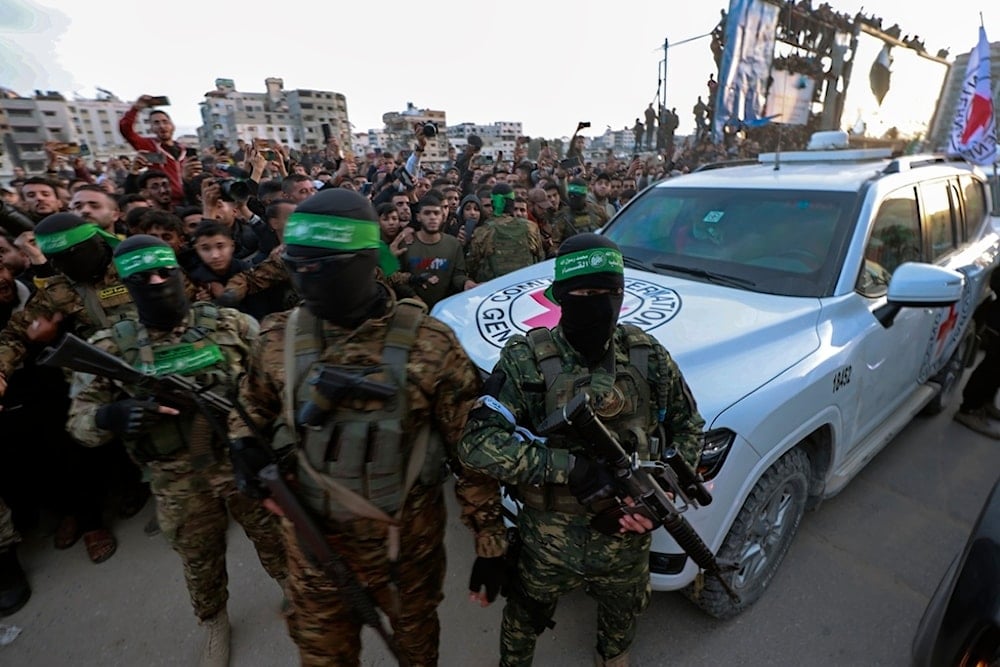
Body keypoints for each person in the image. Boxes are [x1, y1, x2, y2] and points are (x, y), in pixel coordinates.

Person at [226, 188, 507, 665]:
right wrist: (243, 449)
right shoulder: (278, 338)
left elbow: (470, 448)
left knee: (417, 652)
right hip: (315, 556)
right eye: (298, 265)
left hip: (408, 554)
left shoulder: (428, 343)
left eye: (321, 267)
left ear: (362, 261)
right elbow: (248, 411)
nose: (306, 280)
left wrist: (490, 540)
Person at [459, 233, 705, 667]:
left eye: (612, 293)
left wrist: (658, 499)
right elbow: (477, 445)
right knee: (522, 621)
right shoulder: (525, 359)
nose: (601, 304)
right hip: (546, 540)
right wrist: (567, 467)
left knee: (622, 620)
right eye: (587, 293)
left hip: (626, 541)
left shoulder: (647, 356)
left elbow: (689, 427)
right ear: (561, 297)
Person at [66, 235, 288, 667]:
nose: (157, 281)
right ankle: (214, 622)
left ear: (180, 273)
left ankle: (291, 590)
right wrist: (110, 418)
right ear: (126, 286)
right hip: (176, 480)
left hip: (243, 460)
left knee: (276, 538)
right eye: (142, 277)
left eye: (165, 272)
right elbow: (80, 426)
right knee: (199, 559)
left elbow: (278, 387)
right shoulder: (109, 347)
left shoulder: (232, 325)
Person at [467, 184, 544, 283]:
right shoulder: (531, 227)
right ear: (512, 204)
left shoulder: (484, 231)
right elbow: (540, 258)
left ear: (493, 203)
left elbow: (471, 266)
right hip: (526, 286)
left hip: (494, 291)